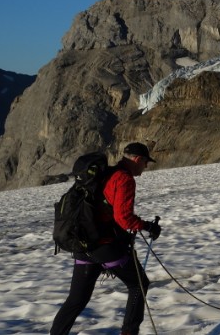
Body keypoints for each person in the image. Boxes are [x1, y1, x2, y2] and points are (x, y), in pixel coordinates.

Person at [51, 142, 163, 335]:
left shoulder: (106, 173)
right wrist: (147, 226)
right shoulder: (124, 179)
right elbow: (123, 217)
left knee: (77, 300)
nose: (146, 166)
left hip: (83, 242)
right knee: (138, 284)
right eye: (145, 162)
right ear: (137, 160)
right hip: (103, 246)